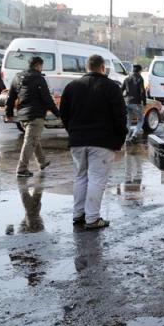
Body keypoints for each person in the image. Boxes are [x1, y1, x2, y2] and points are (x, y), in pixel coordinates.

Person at [59, 54, 128, 230]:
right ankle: (92, 219)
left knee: (80, 177)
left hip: (77, 141)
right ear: (103, 68)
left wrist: (73, 133)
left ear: (86, 67)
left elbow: (64, 114)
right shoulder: (111, 87)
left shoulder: (72, 86)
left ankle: (79, 214)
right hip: (102, 142)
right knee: (97, 179)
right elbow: (120, 116)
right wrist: (120, 138)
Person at [5, 57, 60, 177]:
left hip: (23, 116)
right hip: (36, 116)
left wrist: (8, 113)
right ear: (38, 66)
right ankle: (21, 169)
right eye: (41, 66)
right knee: (30, 141)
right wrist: (58, 114)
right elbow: (47, 99)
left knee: (33, 138)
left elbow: (11, 98)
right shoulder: (39, 79)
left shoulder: (17, 77)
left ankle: (42, 161)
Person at [121, 64, 147, 142]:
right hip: (136, 102)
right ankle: (134, 135)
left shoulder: (127, 79)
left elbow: (121, 90)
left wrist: (123, 100)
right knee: (141, 120)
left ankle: (126, 137)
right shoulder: (140, 78)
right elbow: (142, 92)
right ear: (139, 71)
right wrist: (144, 102)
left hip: (127, 102)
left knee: (129, 120)